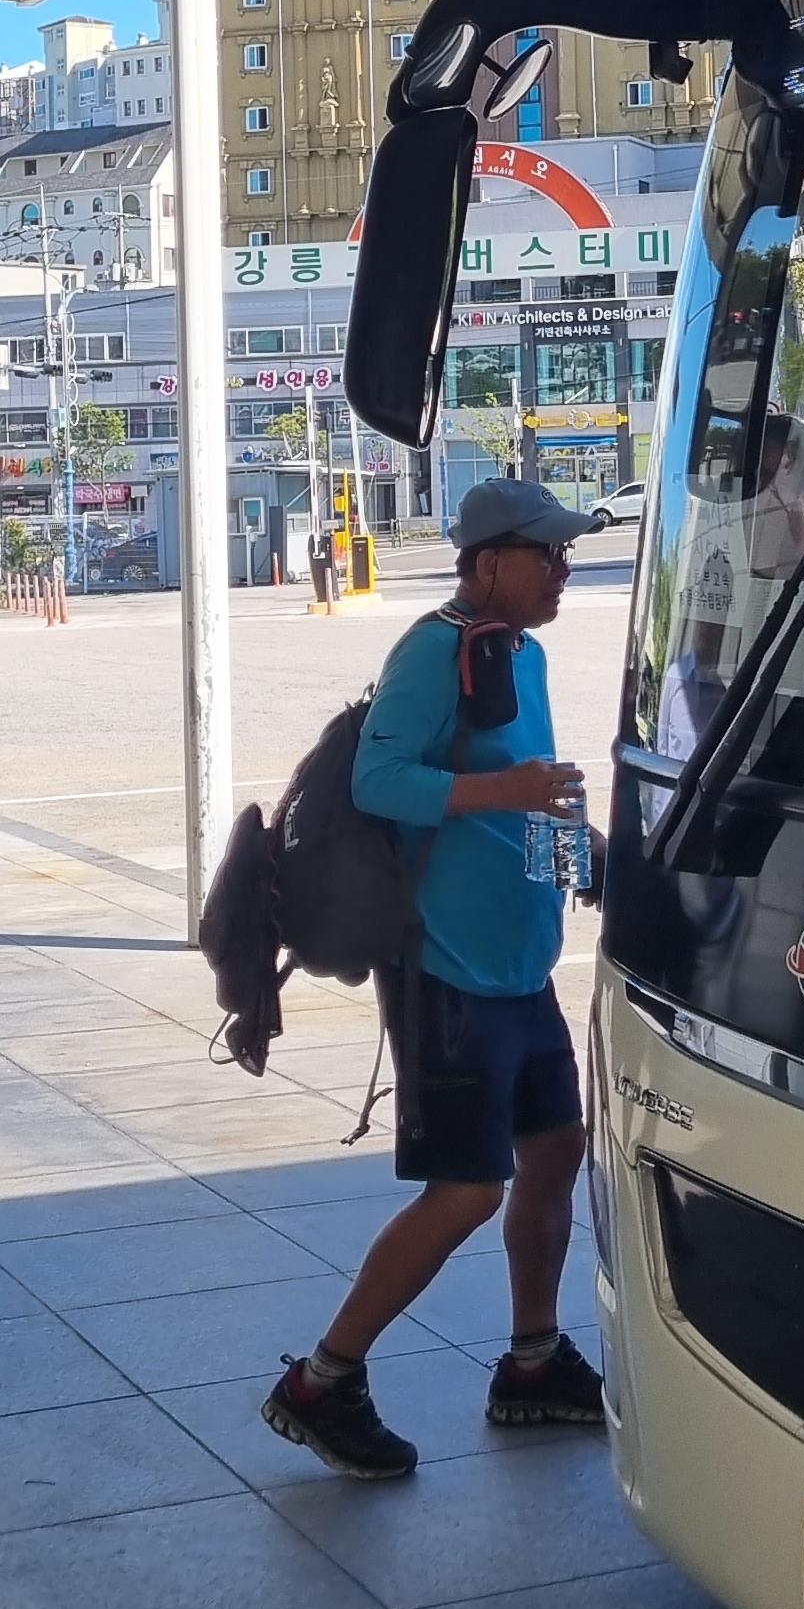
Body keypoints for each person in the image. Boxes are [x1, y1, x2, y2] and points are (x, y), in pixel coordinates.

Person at [265, 475, 607, 1478]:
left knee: (557, 1150)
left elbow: (534, 787)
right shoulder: (431, 651)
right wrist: (506, 789)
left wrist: (577, 852)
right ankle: (322, 1381)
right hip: (448, 969)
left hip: (519, 963)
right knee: (465, 1192)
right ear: (488, 562)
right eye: (547, 554)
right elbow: (380, 780)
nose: (562, 570)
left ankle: (532, 1362)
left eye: (566, 554)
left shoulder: (524, 654)